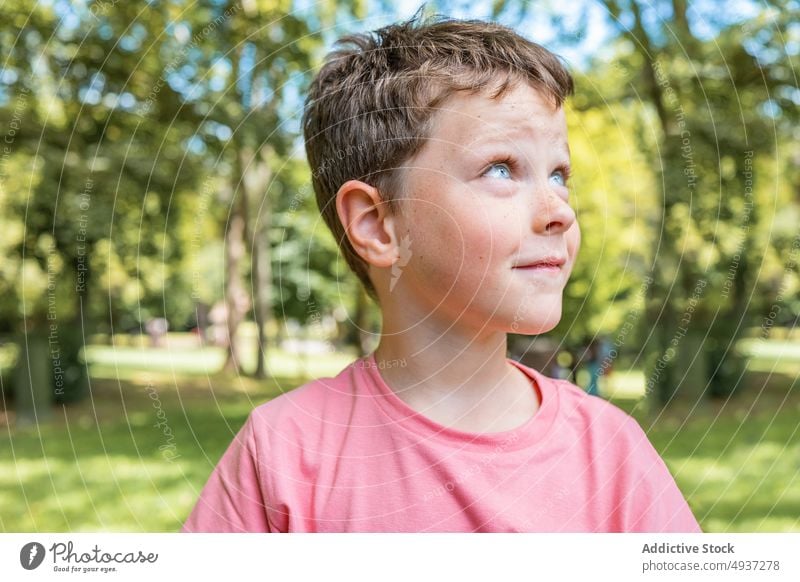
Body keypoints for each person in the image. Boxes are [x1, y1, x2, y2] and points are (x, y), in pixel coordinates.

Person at [181, 13, 701, 533]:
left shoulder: (611, 454)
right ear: (378, 224)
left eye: (559, 175)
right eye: (501, 168)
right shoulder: (281, 456)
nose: (560, 211)